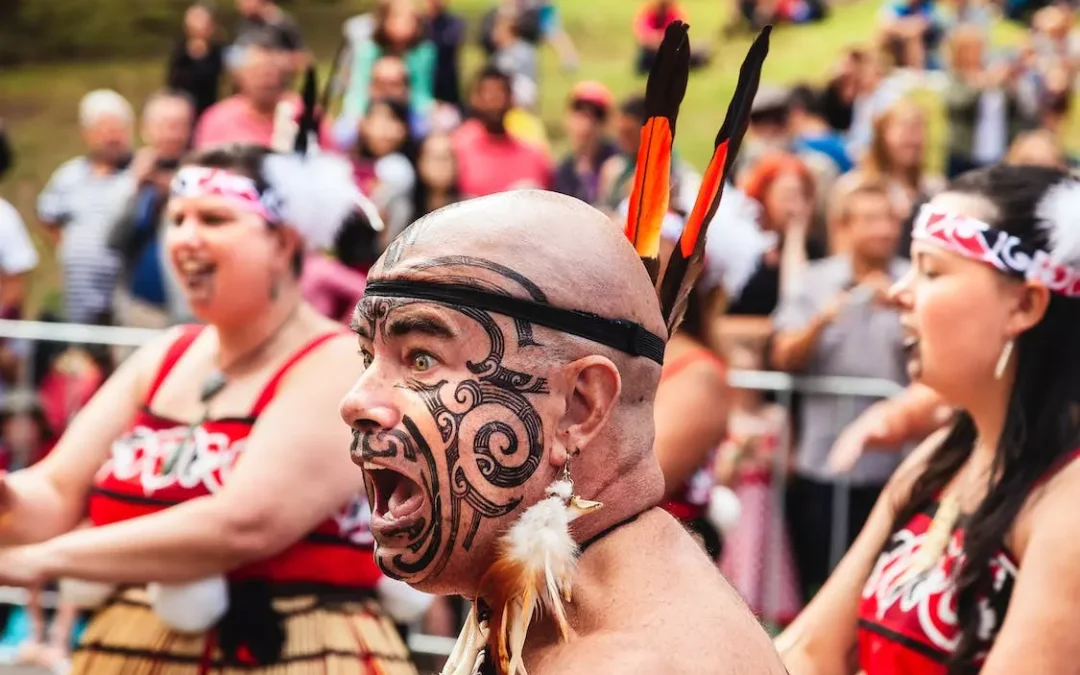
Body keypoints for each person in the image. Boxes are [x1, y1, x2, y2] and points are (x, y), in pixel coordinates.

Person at [341, 21, 783, 675]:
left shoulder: (625, 662)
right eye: (367, 357)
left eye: (421, 359)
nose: (357, 401)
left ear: (579, 407)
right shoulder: (547, 607)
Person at [0, 142, 418, 673]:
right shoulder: (166, 355)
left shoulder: (339, 364)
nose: (185, 238)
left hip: (293, 648)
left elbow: (244, 523)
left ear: (283, 240)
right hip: (132, 643)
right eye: (177, 218)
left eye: (214, 218)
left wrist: (39, 561)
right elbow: (54, 491)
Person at [778, 164, 1080, 674]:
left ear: (1024, 305)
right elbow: (808, 651)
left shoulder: (1067, 504)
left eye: (932, 271)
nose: (901, 291)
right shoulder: (939, 459)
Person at [771, 181, 911, 601]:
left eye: (888, 219)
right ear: (845, 227)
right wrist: (822, 321)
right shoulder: (815, 281)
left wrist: (908, 310)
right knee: (825, 582)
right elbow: (782, 355)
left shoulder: (915, 281)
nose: (884, 230)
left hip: (897, 465)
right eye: (871, 220)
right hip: (827, 459)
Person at [37, 89, 136, 325]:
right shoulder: (68, 176)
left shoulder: (139, 175)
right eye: (104, 129)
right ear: (87, 134)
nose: (112, 137)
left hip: (126, 292)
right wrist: (71, 249)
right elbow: (48, 216)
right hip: (79, 294)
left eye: (117, 129)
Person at [109, 91, 196, 329]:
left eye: (179, 125)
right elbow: (111, 240)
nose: (171, 134)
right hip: (139, 311)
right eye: (164, 125)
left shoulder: (203, 177)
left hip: (190, 314)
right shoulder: (128, 176)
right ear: (145, 129)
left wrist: (179, 188)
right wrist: (134, 187)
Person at [451, 66, 551, 198]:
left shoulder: (534, 154)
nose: (494, 100)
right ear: (474, 99)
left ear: (511, 99)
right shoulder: (457, 147)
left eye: (500, 92)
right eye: (487, 93)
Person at [193, 31, 294, 150]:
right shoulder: (218, 119)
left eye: (272, 74)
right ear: (241, 78)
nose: (267, 82)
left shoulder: (303, 114)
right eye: (258, 73)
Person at [167, 3, 225, 121]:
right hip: (184, 111)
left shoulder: (219, 53)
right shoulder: (180, 53)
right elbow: (172, 83)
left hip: (211, 110)